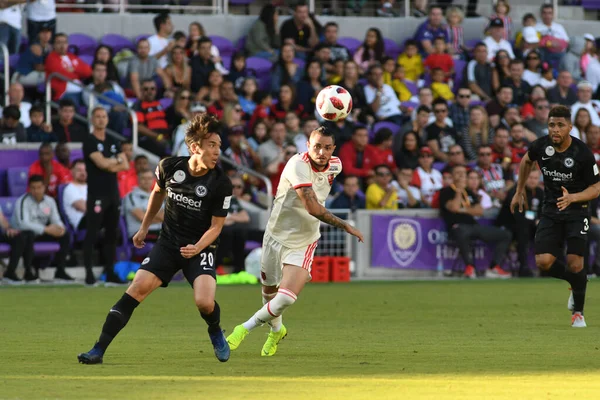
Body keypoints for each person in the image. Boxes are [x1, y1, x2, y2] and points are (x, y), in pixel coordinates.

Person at [78, 113, 233, 365]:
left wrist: (197, 248)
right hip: (168, 243)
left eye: (219, 146)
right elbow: (157, 195)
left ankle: (215, 329)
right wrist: (143, 228)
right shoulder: (169, 166)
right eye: (212, 145)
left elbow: (216, 227)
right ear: (195, 147)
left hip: (200, 247)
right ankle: (98, 349)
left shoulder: (221, 183)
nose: (217, 152)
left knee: (204, 303)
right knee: (135, 289)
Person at [225, 126, 363, 357]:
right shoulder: (297, 164)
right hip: (275, 235)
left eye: (327, 147)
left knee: (286, 297)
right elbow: (312, 207)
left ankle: (243, 329)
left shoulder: (336, 165)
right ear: (308, 145)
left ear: (333, 149)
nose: (321, 151)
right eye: (316, 146)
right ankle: (277, 331)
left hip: (304, 241)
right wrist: (345, 224)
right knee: (269, 293)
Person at [510, 105, 599, 328]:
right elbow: (526, 161)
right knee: (543, 261)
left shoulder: (582, 154)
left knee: (575, 263)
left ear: (570, 127)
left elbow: (596, 188)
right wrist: (519, 190)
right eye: (551, 125)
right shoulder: (541, 146)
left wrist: (574, 197)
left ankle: (578, 313)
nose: (555, 130)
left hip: (578, 210)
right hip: (551, 210)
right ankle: (575, 281)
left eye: (560, 125)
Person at [82, 107, 130, 286]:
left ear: (107, 120)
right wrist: (113, 162)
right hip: (96, 194)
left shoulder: (112, 140)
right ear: (92, 120)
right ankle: (88, 273)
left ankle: (110, 272)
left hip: (113, 193)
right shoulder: (89, 141)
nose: (101, 120)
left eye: (104, 116)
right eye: (98, 117)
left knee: (112, 233)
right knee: (93, 232)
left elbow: (125, 164)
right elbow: (100, 163)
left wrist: (110, 164)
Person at [439, 165, 512, 279]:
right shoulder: (446, 191)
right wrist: (458, 192)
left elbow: (479, 211)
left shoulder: (468, 191)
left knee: (505, 234)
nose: (461, 176)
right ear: (452, 176)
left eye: (463, 174)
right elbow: (453, 207)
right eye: (458, 173)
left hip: (473, 226)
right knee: (461, 231)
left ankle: (493, 267)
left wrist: (461, 210)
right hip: (457, 227)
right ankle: (470, 267)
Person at [12, 175, 72, 281]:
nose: (36, 191)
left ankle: (60, 270)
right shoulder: (22, 201)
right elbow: (23, 223)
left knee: (65, 235)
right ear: (29, 188)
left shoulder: (50, 201)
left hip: (42, 233)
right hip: (24, 235)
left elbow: (56, 219)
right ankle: (28, 271)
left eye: (39, 187)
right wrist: (46, 229)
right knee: (28, 234)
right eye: (33, 188)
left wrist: (60, 228)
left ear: (44, 187)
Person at [497, 169, 543, 277]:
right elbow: (517, 215)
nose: (532, 181)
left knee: (548, 230)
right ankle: (524, 267)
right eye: (530, 178)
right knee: (523, 229)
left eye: (535, 178)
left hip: (532, 225)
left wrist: (541, 221)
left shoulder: (540, 193)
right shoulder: (515, 192)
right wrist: (535, 220)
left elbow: (545, 211)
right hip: (510, 225)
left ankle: (548, 267)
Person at [45, 33, 92, 106]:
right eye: (59, 42)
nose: (62, 45)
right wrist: (77, 74)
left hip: (81, 91)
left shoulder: (72, 56)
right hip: (64, 94)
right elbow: (62, 75)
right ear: (54, 45)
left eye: (64, 42)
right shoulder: (51, 58)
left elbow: (88, 71)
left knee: (94, 99)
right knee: (73, 107)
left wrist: (74, 69)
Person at [216, 175, 250, 274]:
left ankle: (240, 269)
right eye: (232, 186)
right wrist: (232, 218)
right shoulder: (219, 197)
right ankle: (218, 266)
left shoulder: (234, 200)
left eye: (238, 187)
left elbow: (246, 218)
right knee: (228, 233)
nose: (235, 189)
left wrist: (230, 217)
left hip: (234, 228)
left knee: (259, 234)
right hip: (218, 228)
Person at [122, 169, 163, 241]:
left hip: (158, 231)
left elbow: (166, 216)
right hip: (139, 233)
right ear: (137, 180)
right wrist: (159, 217)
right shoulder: (131, 196)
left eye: (149, 178)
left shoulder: (157, 196)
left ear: (153, 180)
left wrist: (148, 213)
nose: (147, 181)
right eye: (143, 178)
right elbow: (142, 218)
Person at [62, 159, 87, 231]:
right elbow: (84, 207)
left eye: (85, 170)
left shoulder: (92, 187)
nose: (83, 173)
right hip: (82, 223)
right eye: (79, 170)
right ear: (71, 171)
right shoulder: (70, 189)